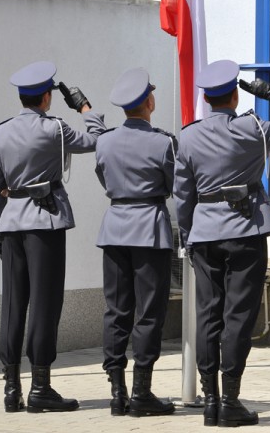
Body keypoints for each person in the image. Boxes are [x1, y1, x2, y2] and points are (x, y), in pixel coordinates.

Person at [174, 59, 270, 427]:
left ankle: (210, 401)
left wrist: (188, 235)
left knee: (208, 316)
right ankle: (230, 400)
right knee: (238, 316)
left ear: (206, 99)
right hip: (246, 230)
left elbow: (182, 194)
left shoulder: (188, 136)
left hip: (205, 235)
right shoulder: (253, 129)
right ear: (235, 94)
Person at [0, 60, 106, 414]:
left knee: (13, 305)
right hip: (44, 222)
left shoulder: (0, 132)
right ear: (47, 98)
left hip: (10, 224)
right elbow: (97, 140)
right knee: (44, 304)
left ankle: (11, 389)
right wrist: (85, 107)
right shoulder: (55, 129)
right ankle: (40, 388)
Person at [95, 67, 177, 418]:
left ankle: (117, 392)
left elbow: (104, 177)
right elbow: (173, 184)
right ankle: (142, 392)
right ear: (149, 103)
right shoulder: (163, 142)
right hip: (149, 229)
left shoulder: (105, 141)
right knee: (149, 312)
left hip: (115, 227)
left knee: (116, 310)